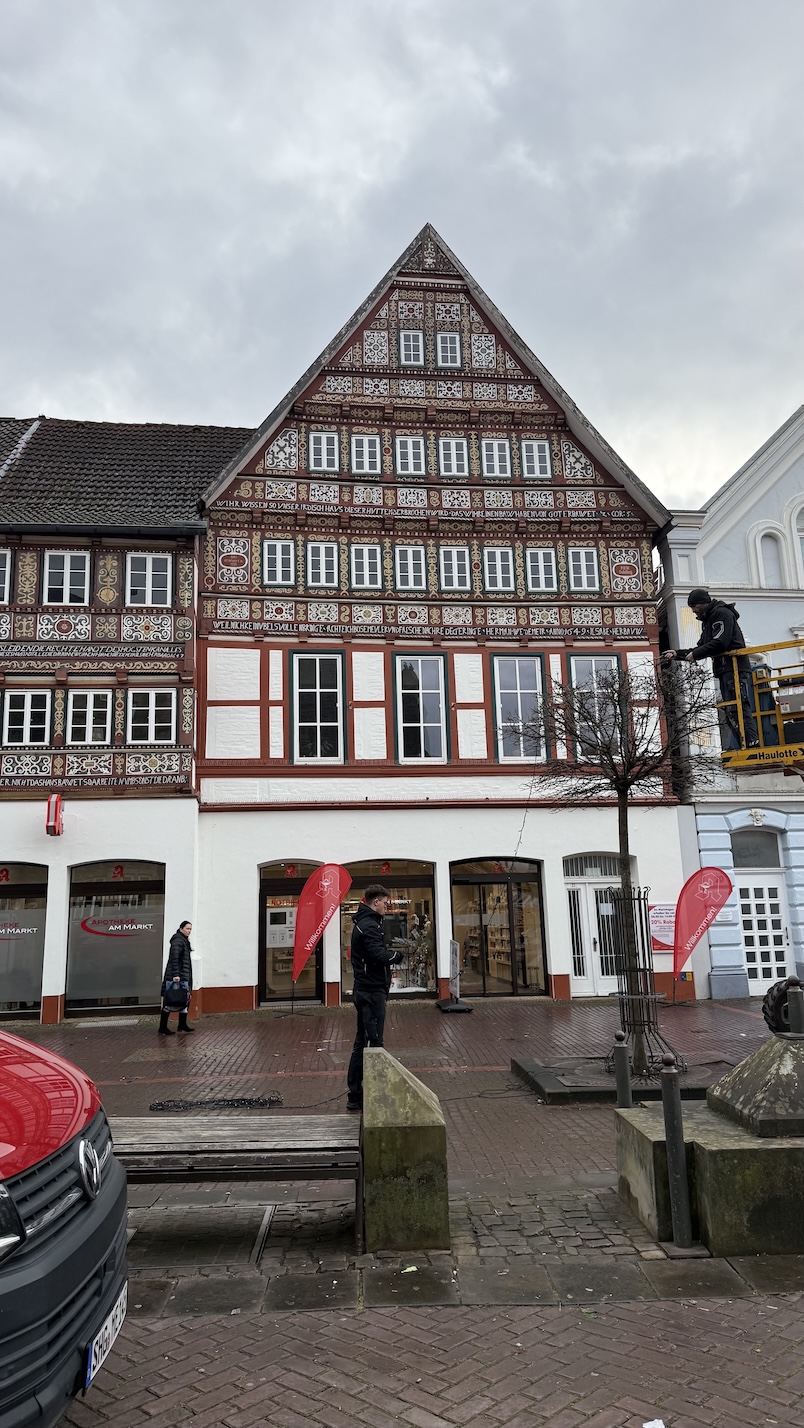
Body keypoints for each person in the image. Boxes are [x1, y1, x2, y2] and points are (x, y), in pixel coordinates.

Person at [662, 589, 758, 748]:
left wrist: (696, 654)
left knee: (737, 706)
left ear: (703, 603)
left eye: (694, 606)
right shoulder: (710, 620)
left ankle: (751, 743)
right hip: (726, 668)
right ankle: (745, 744)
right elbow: (702, 647)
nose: (693, 610)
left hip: (733, 667)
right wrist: (677, 654)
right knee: (731, 709)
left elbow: (720, 642)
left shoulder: (721, 614)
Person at [346, 885, 404, 1112]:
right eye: (385, 903)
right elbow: (377, 955)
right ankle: (370, 1093)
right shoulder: (369, 925)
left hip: (367, 989)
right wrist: (396, 955)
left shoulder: (367, 923)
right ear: (376, 902)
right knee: (373, 1043)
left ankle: (357, 1093)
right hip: (371, 991)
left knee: (363, 1042)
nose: (386, 907)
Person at [158, 920, 194, 1035]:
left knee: (184, 1000)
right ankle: (163, 1027)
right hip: (177, 977)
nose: (189, 931)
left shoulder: (183, 940)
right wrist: (176, 975)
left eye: (190, 929)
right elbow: (175, 959)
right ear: (181, 928)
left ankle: (182, 1025)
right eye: (187, 929)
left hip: (183, 976)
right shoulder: (178, 941)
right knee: (170, 1001)